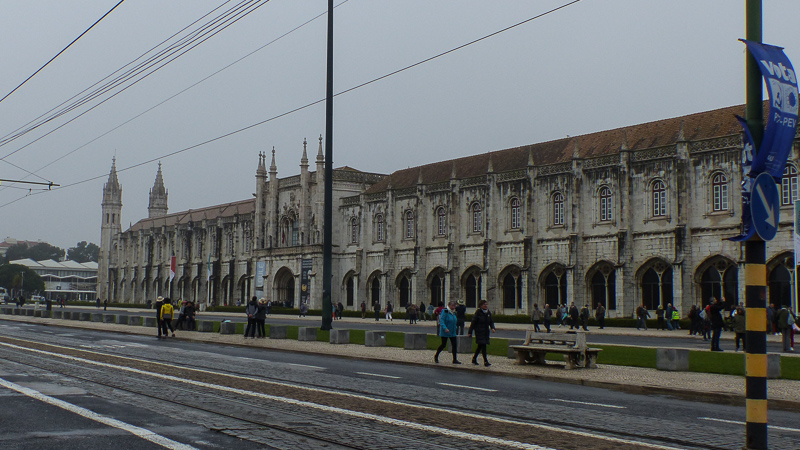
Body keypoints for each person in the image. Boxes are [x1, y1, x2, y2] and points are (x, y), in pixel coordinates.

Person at [468, 299, 496, 367]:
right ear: (481, 305)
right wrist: (470, 332)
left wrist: (493, 328)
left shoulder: (488, 312)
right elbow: (473, 322)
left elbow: (491, 321)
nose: (486, 306)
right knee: (483, 346)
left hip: (486, 331)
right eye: (484, 304)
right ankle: (485, 361)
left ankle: (474, 359)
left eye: (486, 304)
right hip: (479, 331)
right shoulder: (478, 312)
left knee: (480, 346)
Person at [434, 300, 461, 364]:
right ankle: (436, 356)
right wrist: (445, 328)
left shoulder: (454, 312)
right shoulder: (445, 311)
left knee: (454, 345)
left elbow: (454, 321)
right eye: (452, 305)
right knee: (443, 345)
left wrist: (455, 328)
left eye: (454, 306)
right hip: (445, 332)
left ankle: (454, 359)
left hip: (452, 332)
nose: (453, 307)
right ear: (449, 306)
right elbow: (442, 321)